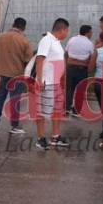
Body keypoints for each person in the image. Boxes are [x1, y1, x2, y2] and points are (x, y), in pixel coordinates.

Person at [0, 17, 32, 134]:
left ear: (13, 24)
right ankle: (14, 126)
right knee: (15, 100)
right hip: (17, 75)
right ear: (23, 27)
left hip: (2, 73)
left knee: (0, 98)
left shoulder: (0, 37)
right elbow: (28, 60)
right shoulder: (24, 40)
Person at [34, 18, 70, 150]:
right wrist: (39, 80)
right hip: (46, 83)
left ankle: (55, 136)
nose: (67, 33)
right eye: (67, 30)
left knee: (57, 111)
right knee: (42, 111)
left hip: (55, 83)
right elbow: (40, 59)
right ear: (62, 29)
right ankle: (40, 138)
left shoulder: (57, 42)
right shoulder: (47, 40)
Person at [65, 24, 94, 116]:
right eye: (91, 32)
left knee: (69, 89)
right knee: (80, 90)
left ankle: (67, 108)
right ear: (87, 32)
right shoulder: (89, 43)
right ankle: (76, 111)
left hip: (70, 68)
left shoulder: (72, 39)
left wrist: (69, 63)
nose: (92, 33)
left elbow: (66, 53)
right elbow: (92, 57)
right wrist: (84, 62)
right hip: (82, 70)